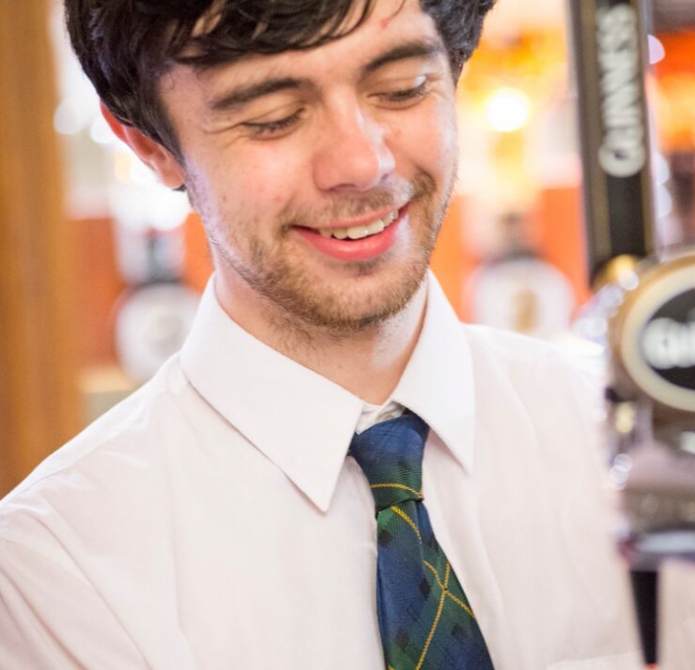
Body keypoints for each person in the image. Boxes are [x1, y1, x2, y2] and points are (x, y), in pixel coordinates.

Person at [0, 1, 642, 668]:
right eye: (273, 117)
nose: (362, 163)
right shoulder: (59, 565)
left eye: (401, 88)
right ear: (150, 146)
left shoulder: (639, 444)